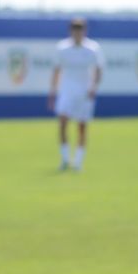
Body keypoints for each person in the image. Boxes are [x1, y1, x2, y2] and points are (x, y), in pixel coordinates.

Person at [47, 18, 103, 172]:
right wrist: (52, 92)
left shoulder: (92, 48)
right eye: (75, 30)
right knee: (63, 123)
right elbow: (56, 70)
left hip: (84, 92)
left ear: (84, 31)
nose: (77, 33)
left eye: (80, 30)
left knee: (82, 127)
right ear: (70, 31)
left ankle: (78, 162)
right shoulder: (62, 48)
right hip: (66, 90)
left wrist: (94, 87)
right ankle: (65, 159)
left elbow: (98, 70)